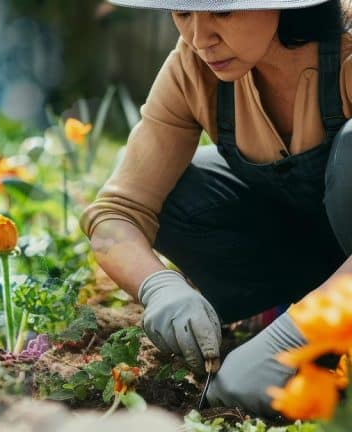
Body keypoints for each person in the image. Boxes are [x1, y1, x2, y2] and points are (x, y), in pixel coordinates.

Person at [79, 0, 352, 416]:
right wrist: (159, 287)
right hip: (314, 258)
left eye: (222, 12)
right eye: (183, 13)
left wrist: (298, 337)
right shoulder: (193, 68)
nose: (198, 37)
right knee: (175, 191)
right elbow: (116, 215)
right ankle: (292, 311)